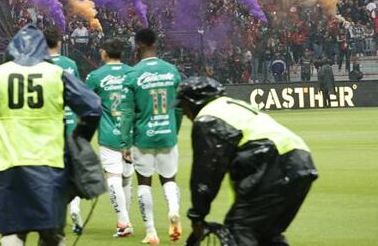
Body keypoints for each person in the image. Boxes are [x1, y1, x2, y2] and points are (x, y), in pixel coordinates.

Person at [0, 24, 102, 245]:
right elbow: (93, 108)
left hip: (10, 166)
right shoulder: (56, 74)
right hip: (51, 165)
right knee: (51, 233)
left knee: (13, 232)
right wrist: (78, 142)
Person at [177, 77, 318, 246]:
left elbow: (207, 171)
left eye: (183, 106)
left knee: (241, 227)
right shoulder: (231, 105)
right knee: (265, 234)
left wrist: (197, 216)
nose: (184, 113)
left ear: (193, 101)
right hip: (300, 162)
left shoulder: (208, 118)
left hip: (274, 163)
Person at [124, 28, 184, 245]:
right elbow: (179, 107)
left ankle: (151, 232)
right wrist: (174, 129)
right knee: (169, 179)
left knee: (144, 183)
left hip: (143, 136)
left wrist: (125, 142)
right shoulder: (171, 71)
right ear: (156, 44)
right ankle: (174, 210)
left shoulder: (132, 74)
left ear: (138, 45)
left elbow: (127, 112)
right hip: (167, 133)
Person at [85, 37, 135, 238]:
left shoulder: (95, 76)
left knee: (113, 176)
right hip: (131, 134)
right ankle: (126, 219)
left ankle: (123, 221)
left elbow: (86, 103)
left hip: (108, 133)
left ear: (104, 53)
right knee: (127, 177)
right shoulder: (132, 73)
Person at [44, 26, 85, 235]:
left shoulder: (38, 66)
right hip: (71, 124)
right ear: (59, 43)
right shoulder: (70, 65)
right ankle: (75, 208)